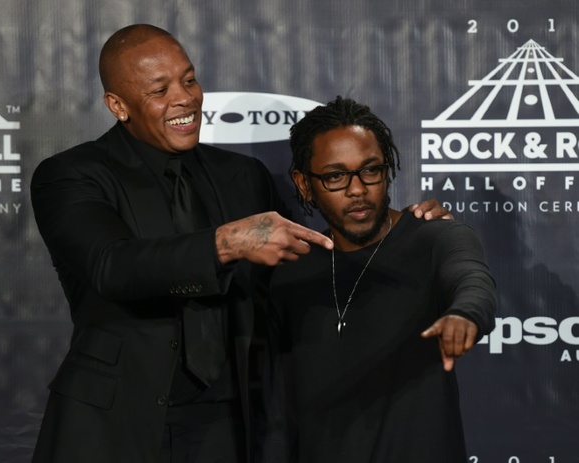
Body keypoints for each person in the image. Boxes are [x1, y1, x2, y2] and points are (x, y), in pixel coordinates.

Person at [30, 25, 450, 463]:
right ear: (118, 105)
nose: (185, 99)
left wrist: (406, 238)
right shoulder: (72, 175)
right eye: (160, 89)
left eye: (189, 80)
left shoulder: (241, 175)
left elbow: (301, 270)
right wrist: (224, 243)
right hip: (113, 424)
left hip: (227, 423)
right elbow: (110, 266)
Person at [257, 97, 497, 463]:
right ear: (304, 184)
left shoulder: (435, 237)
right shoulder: (291, 270)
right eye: (336, 176)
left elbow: (471, 279)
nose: (357, 189)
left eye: (370, 170)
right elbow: (281, 408)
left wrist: (464, 315)